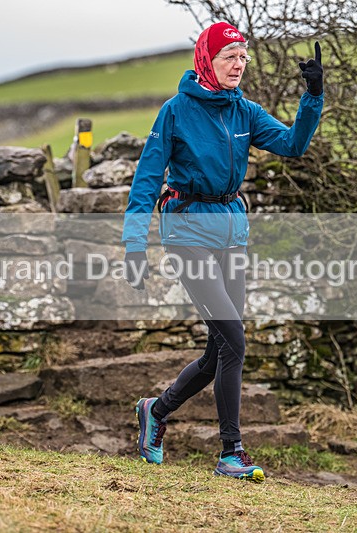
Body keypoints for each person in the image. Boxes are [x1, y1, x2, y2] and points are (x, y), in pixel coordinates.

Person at [121, 21, 323, 482]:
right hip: (187, 232)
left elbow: (294, 145)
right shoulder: (175, 112)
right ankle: (231, 451)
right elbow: (147, 179)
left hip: (232, 233)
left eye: (244, 56)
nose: (240, 64)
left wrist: (313, 93)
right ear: (206, 61)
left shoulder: (245, 112)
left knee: (221, 351)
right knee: (234, 338)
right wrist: (135, 244)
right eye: (230, 56)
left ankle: (157, 409)